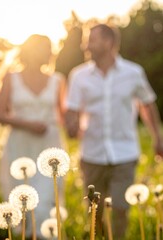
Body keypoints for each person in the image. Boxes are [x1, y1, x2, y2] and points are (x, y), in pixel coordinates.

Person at [65, 23, 163, 239]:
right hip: (91, 154)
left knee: (120, 207)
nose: (86, 45)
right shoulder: (78, 76)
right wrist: (71, 124)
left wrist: (158, 138)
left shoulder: (133, 72)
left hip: (125, 153)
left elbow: (147, 105)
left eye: (92, 40)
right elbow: (71, 110)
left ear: (109, 42)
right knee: (94, 213)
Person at [0, 34, 66, 240]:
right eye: (42, 48)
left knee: (44, 203)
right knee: (22, 205)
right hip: (20, 148)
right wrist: (28, 124)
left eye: (48, 49)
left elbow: (63, 116)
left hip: (49, 147)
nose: (46, 53)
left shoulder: (58, 80)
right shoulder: (11, 77)